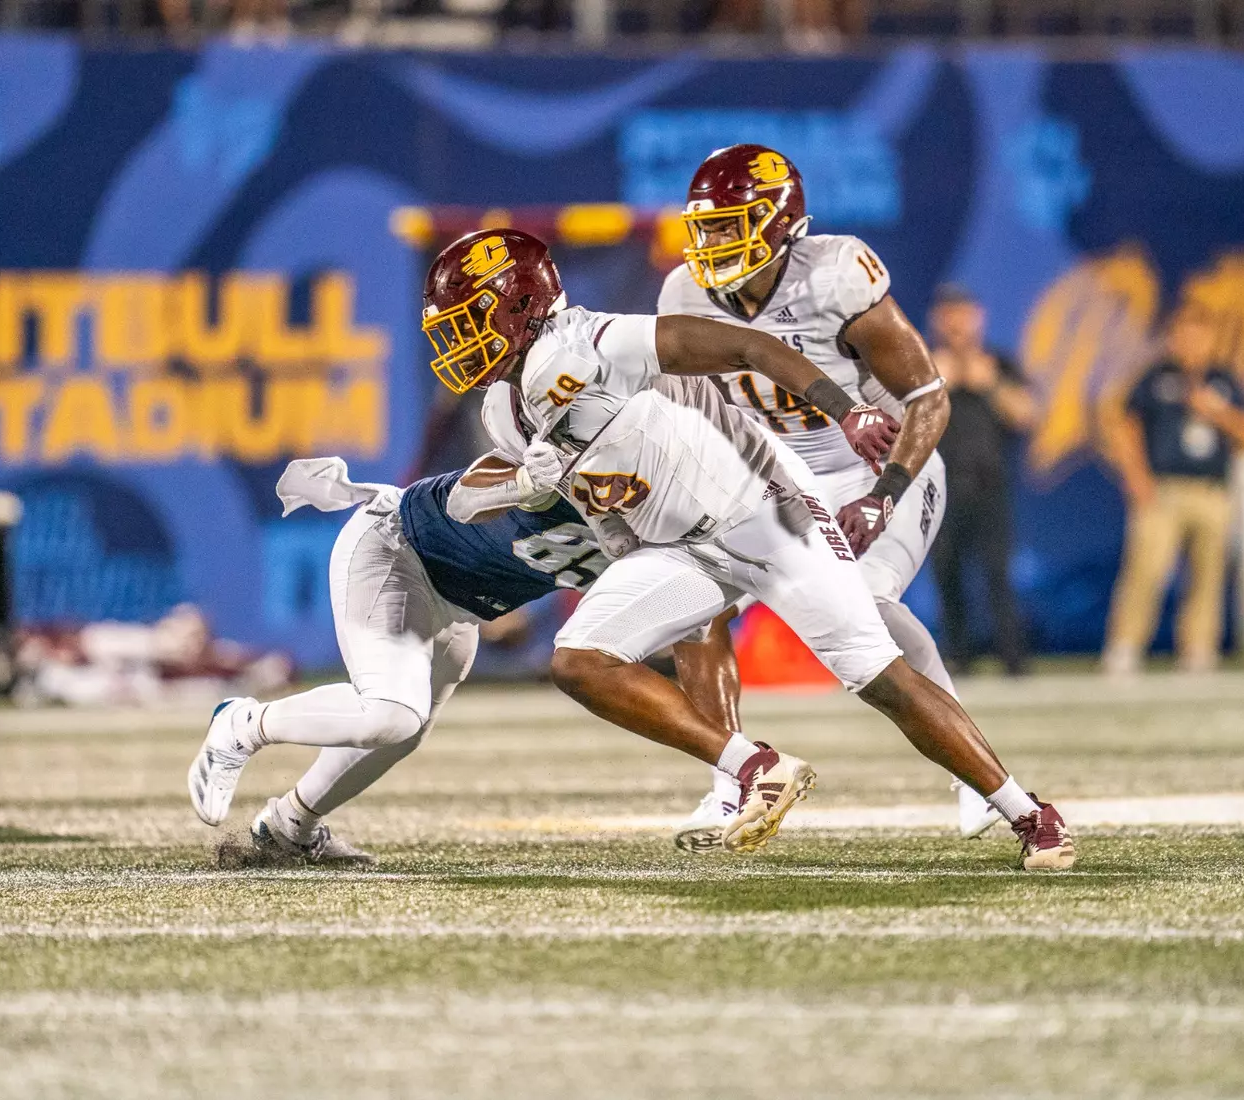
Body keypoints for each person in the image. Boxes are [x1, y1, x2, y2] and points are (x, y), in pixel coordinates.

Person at [433, 228, 1075, 869]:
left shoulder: (598, 342)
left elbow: (749, 345)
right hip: (684, 545)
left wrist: (846, 411)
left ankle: (1028, 812)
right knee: (579, 662)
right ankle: (753, 768)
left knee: (879, 677)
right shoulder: (503, 412)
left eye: (467, 321)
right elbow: (474, 498)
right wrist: (527, 484)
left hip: (769, 513)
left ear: (520, 305)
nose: (458, 342)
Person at [655, 145, 998, 848]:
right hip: (771, 477)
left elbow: (928, 398)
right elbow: (692, 408)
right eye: (706, 227)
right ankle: (732, 783)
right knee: (696, 608)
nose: (712, 242)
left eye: (728, 225)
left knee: (867, 604)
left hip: (877, 462)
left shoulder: (836, 274)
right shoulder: (682, 293)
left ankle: (975, 774)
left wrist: (885, 494)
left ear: (779, 222)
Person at [186, 456, 611, 862]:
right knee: (391, 713)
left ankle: (287, 827)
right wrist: (525, 480)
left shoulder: (646, 529)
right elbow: (471, 492)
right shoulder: (587, 462)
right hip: (398, 547)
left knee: (407, 729)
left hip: (461, 602)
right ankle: (243, 724)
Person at [1102, 304, 1244, 675]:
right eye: (1183, 335)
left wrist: (1216, 411)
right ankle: (1125, 646)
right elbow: (1127, 426)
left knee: (1208, 573)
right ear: (1172, 339)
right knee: (1146, 569)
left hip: (1210, 489)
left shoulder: (1223, 379)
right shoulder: (1156, 378)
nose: (1191, 343)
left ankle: (1199, 649)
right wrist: (1136, 476)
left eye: (1198, 336)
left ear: (1211, 339)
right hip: (1163, 489)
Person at [927, 283, 1037, 676]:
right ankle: (958, 656)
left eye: (963, 313)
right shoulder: (921, 364)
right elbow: (896, 416)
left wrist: (990, 384)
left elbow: (1026, 414)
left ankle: (1013, 658)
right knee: (947, 573)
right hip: (939, 486)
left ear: (979, 318)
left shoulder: (1000, 364)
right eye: (948, 314)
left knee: (998, 573)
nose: (956, 323)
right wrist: (933, 385)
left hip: (990, 484)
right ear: (937, 320)